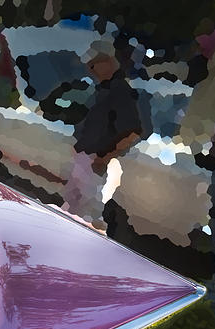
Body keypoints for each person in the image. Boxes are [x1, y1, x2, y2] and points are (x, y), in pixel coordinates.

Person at [63, 39, 143, 228]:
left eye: (94, 64)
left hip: (95, 165)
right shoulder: (103, 90)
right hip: (86, 161)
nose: (90, 70)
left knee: (86, 218)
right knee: (72, 211)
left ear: (108, 62)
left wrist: (104, 158)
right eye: (89, 65)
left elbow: (132, 132)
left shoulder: (121, 91)